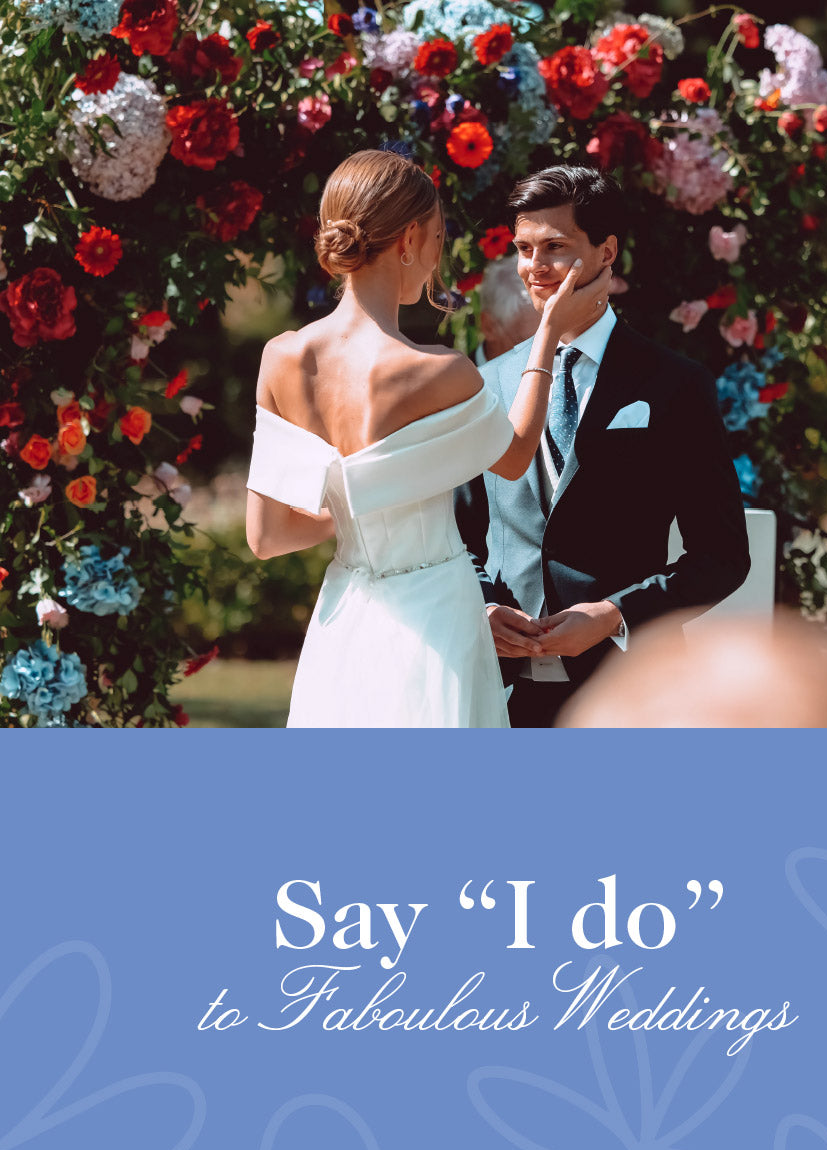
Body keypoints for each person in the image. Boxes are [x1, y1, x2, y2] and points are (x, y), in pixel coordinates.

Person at [245, 150, 611, 728]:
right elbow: (516, 457)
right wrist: (548, 334)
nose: (438, 256)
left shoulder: (281, 358)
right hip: (438, 614)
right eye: (439, 238)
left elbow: (267, 535)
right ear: (410, 239)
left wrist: (357, 503)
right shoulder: (440, 371)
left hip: (344, 617)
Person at [455, 166, 752, 727]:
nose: (535, 267)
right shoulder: (488, 383)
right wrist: (484, 607)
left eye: (556, 247)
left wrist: (616, 614)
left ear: (605, 250)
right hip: (495, 689)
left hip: (629, 691)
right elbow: (456, 537)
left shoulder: (674, 384)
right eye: (523, 248)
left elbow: (722, 556)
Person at [558, 609, 827, 728]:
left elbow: (721, 555)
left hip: (627, 663)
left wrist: (617, 613)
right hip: (507, 680)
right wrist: (495, 611)